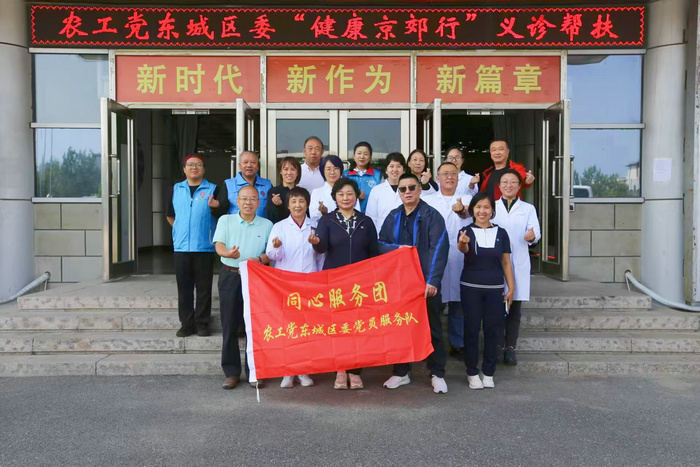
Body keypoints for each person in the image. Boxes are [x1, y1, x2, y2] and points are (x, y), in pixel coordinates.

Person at [378, 174, 450, 395]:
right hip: (400, 283)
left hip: (425, 283)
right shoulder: (393, 216)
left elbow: (439, 247)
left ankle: (437, 374)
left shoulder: (432, 215)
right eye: (402, 189)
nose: (407, 192)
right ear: (398, 192)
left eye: (411, 187)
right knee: (400, 327)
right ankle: (401, 372)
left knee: (432, 328)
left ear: (419, 189)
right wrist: (397, 250)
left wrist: (432, 280)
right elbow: (380, 244)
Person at [309, 178, 378, 390]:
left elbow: (374, 253)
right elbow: (322, 249)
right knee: (338, 326)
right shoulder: (327, 220)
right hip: (335, 281)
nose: (345, 198)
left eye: (349, 194)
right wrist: (316, 243)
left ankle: (355, 371)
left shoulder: (366, 221)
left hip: (360, 284)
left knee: (358, 327)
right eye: (341, 194)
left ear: (356, 196)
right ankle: (340, 369)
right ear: (335, 197)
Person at [214, 186, 273, 390]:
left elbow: (270, 253)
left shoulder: (267, 224)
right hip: (230, 275)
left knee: (254, 326)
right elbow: (219, 246)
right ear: (237, 201)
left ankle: (254, 373)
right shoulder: (225, 220)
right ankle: (231, 373)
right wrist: (228, 254)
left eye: (253, 199)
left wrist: (258, 259)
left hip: (256, 276)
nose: (248, 202)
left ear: (258, 203)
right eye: (244, 199)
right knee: (229, 324)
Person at [266, 187, 323, 388]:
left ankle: (304, 371)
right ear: (288, 205)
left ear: (307, 204)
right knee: (288, 329)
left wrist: (319, 279)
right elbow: (272, 255)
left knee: (306, 329)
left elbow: (321, 256)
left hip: (309, 284)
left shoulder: (315, 225)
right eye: (293, 201)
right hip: (286, 285)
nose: (297, 205)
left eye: (301, 201)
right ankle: (288, 371)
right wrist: (277, 247)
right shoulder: (279, 227)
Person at [457, 192, 515, 390]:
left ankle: (489, 372)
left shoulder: (501, 233)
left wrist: (511, 287)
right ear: (472, 210)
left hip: (495, 289)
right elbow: (463, 250)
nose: (482, 211)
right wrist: (463, 243)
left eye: (486, 207)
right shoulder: (466, 231)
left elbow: (506, 262)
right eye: (478, 207)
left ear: (492, 210)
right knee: (471, 330)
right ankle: (472, 372)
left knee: (493, 330)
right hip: (470, 288)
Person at [423, 162, 473, 359]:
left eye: (453, 173)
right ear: (438, 178)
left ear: (458, 178)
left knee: (458, 303)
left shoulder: (468, 198)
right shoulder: (427, 200)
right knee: (435, 303)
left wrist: (461, 210)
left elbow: (470, 213)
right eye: (445, 174)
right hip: (436, 257)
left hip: (461, 256)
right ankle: (431, 344)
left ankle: (457, 343)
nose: (449, 177)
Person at [167, 153, 219, 338]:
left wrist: (216, 206)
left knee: (204, 289)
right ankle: (186, 324)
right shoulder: (176, 189)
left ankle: (202, 323)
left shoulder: (213, 189)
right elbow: (170, 215)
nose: (194, 167)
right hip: (181, 248)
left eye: (198, 164)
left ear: (204, 169)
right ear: (184, 169)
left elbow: (219, 213)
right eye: (190, 164)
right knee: (184, 289)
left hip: (204, 247)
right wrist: (181, 231)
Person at [492, 169, 541, 365]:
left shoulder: (528, 208)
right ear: (499, 186)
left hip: (518, 261)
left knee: (514, 309)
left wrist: (531, 236)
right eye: (505, 182)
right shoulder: (491, 207)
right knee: (495, 308)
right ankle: (496, 346)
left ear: (520, 186)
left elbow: (535, 232)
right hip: (495, 263)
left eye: (513, 182)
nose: (509, 185)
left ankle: (510, 348)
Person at [213, 151, 272, 219]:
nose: (249, 165)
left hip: (260, 224)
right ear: (240, 165)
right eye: (245, 162)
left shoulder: (267, 185)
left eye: (253, 162)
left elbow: (272, 211)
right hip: (236, 225)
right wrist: (215, 207)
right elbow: (221, 211)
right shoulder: (229, 184)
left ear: (258, 165)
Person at [309, 155, 359, 222]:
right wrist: (323, 213)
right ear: (323, 171)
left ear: (340, 170)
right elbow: (314, 218)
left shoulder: (350, 189)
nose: (332, 172)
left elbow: (357, 213)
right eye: (328, 169)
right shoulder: (317, 192)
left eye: (336, 168)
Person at [365, 152, 405, 232]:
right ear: (386, 170)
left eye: (398, 166)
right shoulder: (376, 191)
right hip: (381, 236)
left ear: (403, 170)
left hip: (405, 236)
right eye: (391, 166)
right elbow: (371, 218)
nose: (395, 170)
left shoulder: (409, 190)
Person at [343, 141, 381, 213]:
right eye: (359, 153)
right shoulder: (346, 174)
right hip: (350, 214)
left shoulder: (378, 175)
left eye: (366, 154)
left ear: (370, 157)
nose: (362, 156)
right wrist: (356, 197)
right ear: (354, 156)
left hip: (372, 214)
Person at [266, 156, 302, 224]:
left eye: (293, 169)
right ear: (280, 172)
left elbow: (306, 215)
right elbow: (270, 217)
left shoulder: (301, 192)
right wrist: (276, 205)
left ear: (297, 172)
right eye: (286, 169)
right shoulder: (273, 191)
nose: (289, 173)